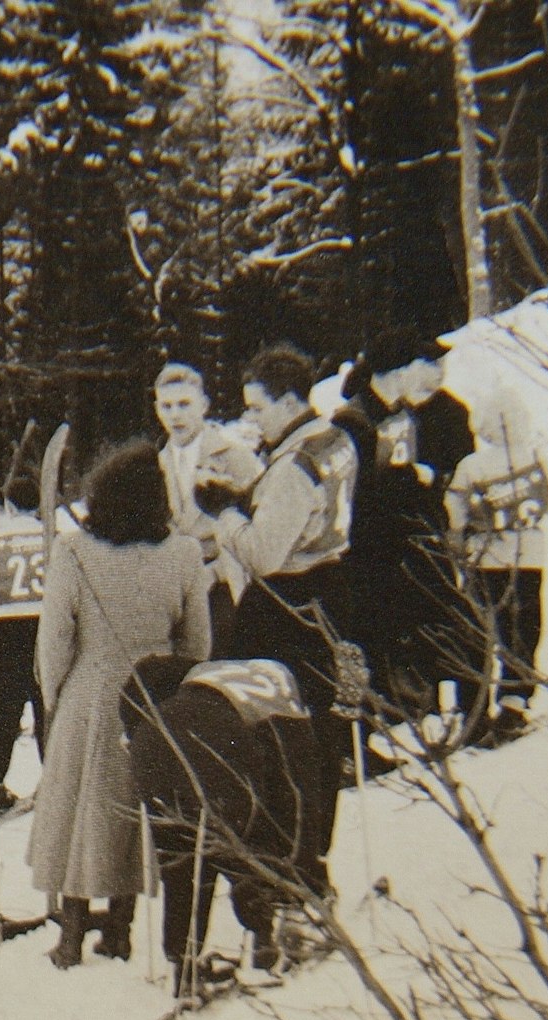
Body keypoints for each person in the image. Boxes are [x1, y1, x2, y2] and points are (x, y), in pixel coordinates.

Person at [31, 441, 210, 969]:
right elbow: (197, 644)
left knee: (80, 811)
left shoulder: (73, 551)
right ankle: (122, 930)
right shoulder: (184, 553)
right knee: (136, 809)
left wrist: (53, 698)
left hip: (89, 690)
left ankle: (70, 937)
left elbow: (55, 639)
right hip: (154, 698)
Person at [203, 344, 361, 893]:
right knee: (319, 728)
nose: (251, 419)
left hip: (290, 600)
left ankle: (292, 859)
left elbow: (265, 552)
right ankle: (309, 854)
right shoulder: (332, 439)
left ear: (290, 400)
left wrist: (225, 517)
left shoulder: (294, 465)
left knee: (287, 732)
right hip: (330, 587)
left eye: (257, 407)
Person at [122, 656, 320, 991]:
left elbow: (137, 689)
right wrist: (303, 870)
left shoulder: (200, 670)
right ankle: (264, 941)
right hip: (216, 742)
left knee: (180, 859)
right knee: (237, 844)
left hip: (151, 739)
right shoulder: (287, 699)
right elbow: (298, 799)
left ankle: (183, 964)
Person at [332, 327, 473, 712]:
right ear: (397, 370)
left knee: (445, 624)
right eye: (417, 363)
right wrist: (413, 478)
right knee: (381, 641)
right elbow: (360, 499)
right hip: (373, 555)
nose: (425, 370)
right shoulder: (354, 420)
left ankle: (446, 709)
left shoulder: (403, 410)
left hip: (411, 540)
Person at [445, 386, 548, 744]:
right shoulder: (538, 456)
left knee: (482, 630)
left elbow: (456, 508)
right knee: (524, 626)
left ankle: (476, 703)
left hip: (486, 560)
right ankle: (515, 699)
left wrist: (457, 537)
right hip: (528, 557)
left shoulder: (472, 466)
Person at [153, 362, 264, 650]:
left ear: (203, 405)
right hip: (176, 588)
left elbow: (257, 532)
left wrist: (213, 573)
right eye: (167, 406)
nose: (175, 415)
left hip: (226, 584)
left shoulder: (236, 457)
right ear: (157, 409)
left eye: (184, 404)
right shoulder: (155, 464)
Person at [0, 476, 51, 813]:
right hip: (43, 625)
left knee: (5, 711)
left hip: (6, 628)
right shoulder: (48, 532)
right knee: (45, 705)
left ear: (7, 505)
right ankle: (53, 781)